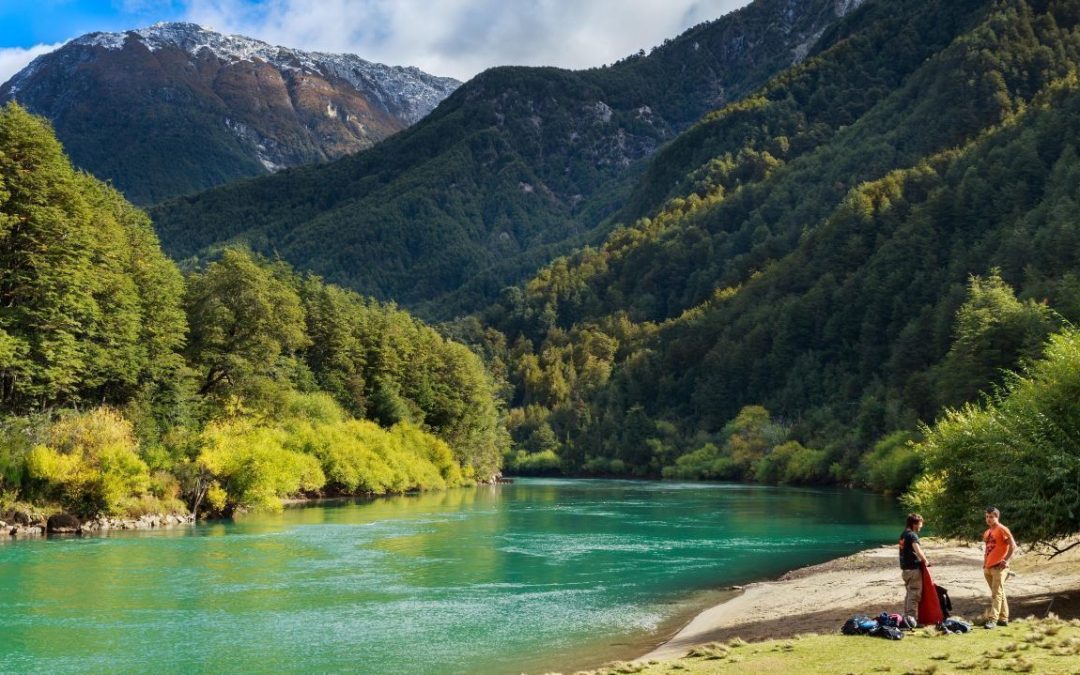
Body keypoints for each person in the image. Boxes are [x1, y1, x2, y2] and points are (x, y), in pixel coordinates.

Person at [982, 506, 1016, 628]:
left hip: (999, 567)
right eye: (986, 516)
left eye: (991, 517)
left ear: (997, 517)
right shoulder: (987, 532)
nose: (988, 519)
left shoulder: (1002, 529)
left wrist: (1006, 560)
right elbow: (988, 549)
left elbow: (1013, 546)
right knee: (998, 593)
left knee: (996, 594)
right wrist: (985, 564)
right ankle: (1004, 618)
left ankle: (993, 620)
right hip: (988, 567)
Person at [899, 512, 929, 628]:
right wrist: (926, 560)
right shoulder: (912, 535)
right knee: (914, 595)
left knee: (908, 594)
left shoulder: (903, 534)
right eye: (920, 523)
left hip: (905, 570)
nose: (921, 526)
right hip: (913, 570)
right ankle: (912, 621)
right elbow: (917, 550)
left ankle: (906, 618)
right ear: (914, 524)